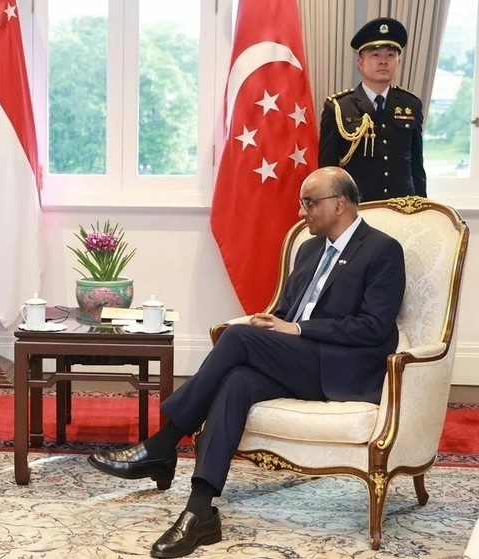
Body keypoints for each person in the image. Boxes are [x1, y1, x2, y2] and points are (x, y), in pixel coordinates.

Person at [88, 166, 405, 558]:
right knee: (237, 380)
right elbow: (287, 312)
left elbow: (373, 327)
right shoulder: (308, 250)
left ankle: (164, 443)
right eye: (301, 203)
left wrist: (297, 330)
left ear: (340, 204)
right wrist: (274, 325)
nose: (301, 212)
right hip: (297, 360)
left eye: (309, 203)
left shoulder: (381, 250)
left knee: (237, 338)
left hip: (340, 369)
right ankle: (200, 511)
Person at [319, 17, 426, 201]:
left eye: (391, 55)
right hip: (358, 207)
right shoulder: (339, 107)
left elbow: (416, 165)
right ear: (361, 62)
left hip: (402, 207)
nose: (384, 61)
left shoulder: (411, 105)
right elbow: (327, 170)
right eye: (375, 55)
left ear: (398, 61)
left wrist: (423, 206)